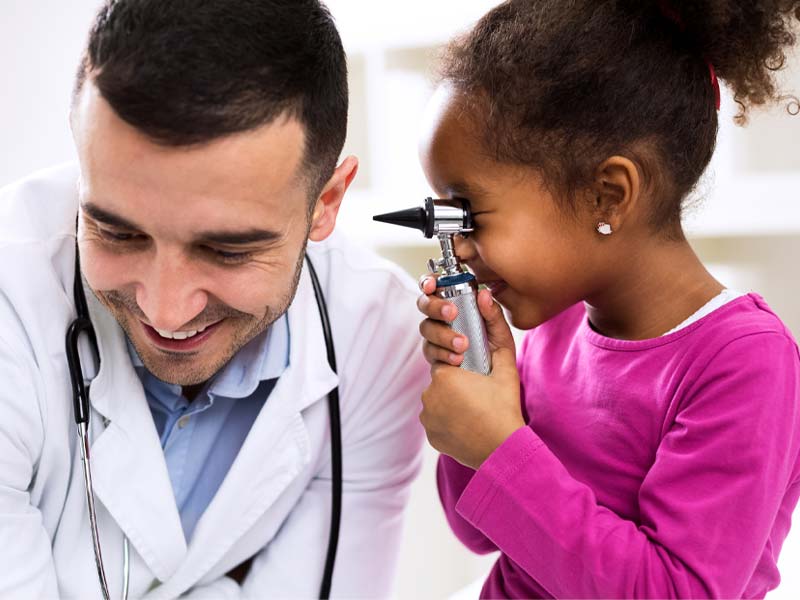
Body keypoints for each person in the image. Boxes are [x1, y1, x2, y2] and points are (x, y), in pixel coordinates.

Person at [0, 0, 427, 598]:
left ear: (326, 203)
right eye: (117, 233)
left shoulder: (378, 337)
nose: (165, 310)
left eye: (226, 252)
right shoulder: (10, 297)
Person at [415, 1, 800, 597]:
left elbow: (676, 591)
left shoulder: (744, 361)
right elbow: (480, 533)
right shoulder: (554, 327)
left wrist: (497, 445)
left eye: (471, 215)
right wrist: (477, 398)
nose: (459, 249)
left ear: (608, 194)